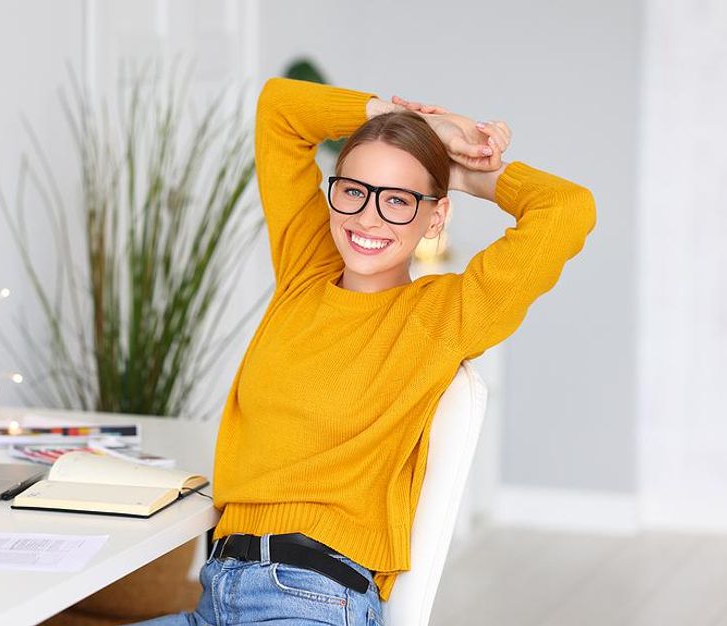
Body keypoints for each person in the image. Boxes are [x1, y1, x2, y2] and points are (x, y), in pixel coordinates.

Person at [131, 77, 596, 626]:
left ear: (436, 217)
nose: (368, 217)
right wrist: (420, 127)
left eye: (399, 200)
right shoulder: (305, 272)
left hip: (312, 602)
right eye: (354, 191)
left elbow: (568, 209)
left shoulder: (442, 316)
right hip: (214, 598)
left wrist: (470, 173)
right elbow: (279, 109)